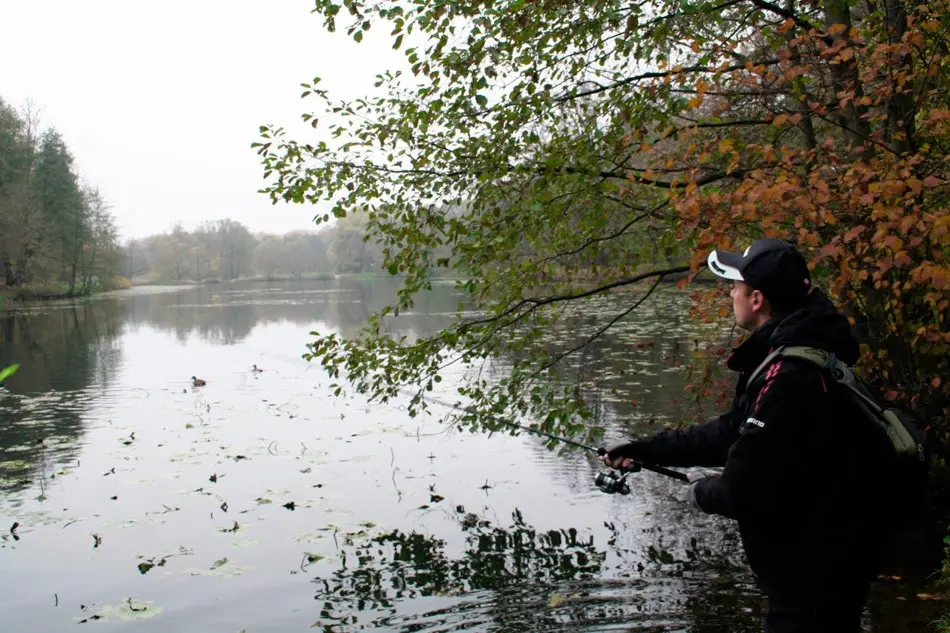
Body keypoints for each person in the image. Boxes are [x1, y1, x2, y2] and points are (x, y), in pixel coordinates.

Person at [602, 238, 890, 633]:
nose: (730, 294)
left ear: (757, 299)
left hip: (814, 572)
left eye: (735, 286)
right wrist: (647, 449)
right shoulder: (802, 350)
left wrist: (700, 491)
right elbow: (732, 431)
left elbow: (742, 490)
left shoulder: (790, 375)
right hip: (835, 556)